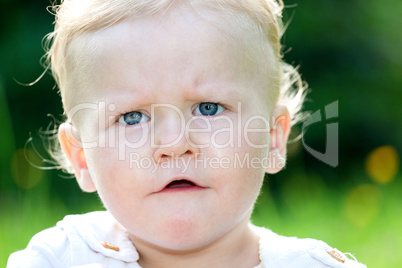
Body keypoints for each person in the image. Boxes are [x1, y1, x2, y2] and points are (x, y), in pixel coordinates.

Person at [8, 0, 366, 267]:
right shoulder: (59, 260)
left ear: (272, 138)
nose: (175, 143)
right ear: (82, 157)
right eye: (132, 117)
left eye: (208, 108)